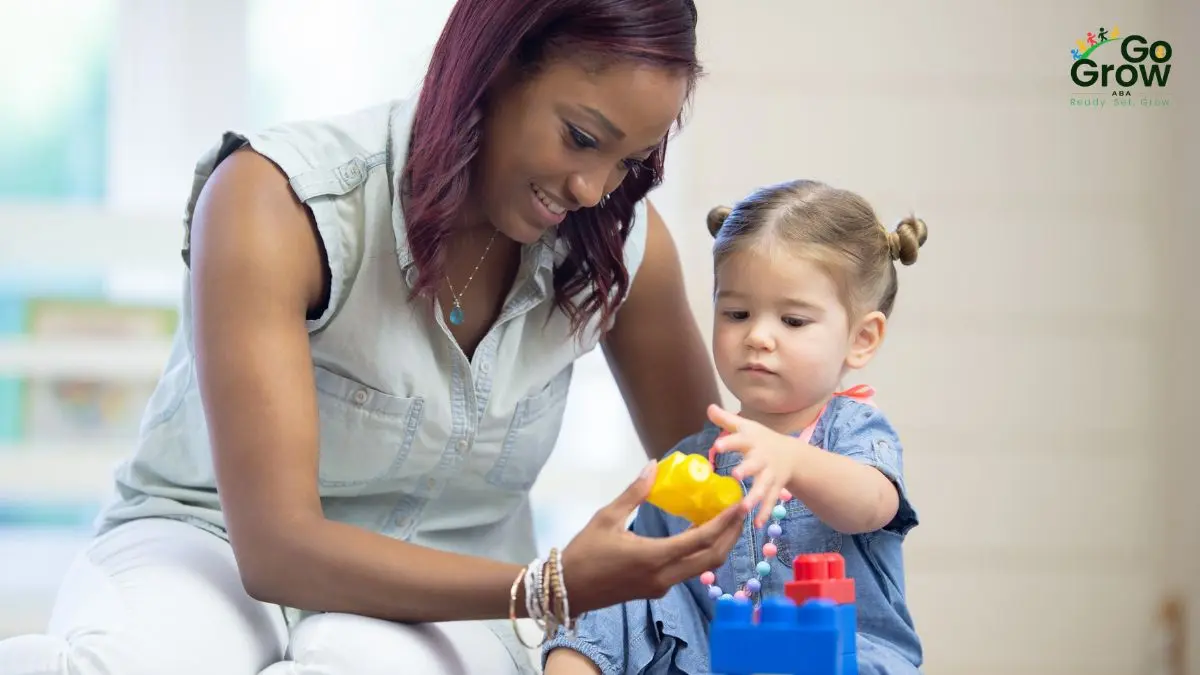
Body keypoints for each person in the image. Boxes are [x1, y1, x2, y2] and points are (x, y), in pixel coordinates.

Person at [0, 1, 752, 674]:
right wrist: (543, 586)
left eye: (627, 163)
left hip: (457, 584)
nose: (594, 188)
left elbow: (719, 486)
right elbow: (275, 550)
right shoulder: (277, 199)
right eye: (581, 137)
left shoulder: (618, 250)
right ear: (493, 66)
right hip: (213, 546)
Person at [541, 179, 929, 675]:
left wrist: (794, 460)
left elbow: (873, 506)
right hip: (712, 654)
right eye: (737, 313)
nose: (758, 336)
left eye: (793, 321)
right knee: (607, 593)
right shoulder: (695, 457)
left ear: (861, 338)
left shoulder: (851, 431)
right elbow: (651, 574)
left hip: (837, 653)